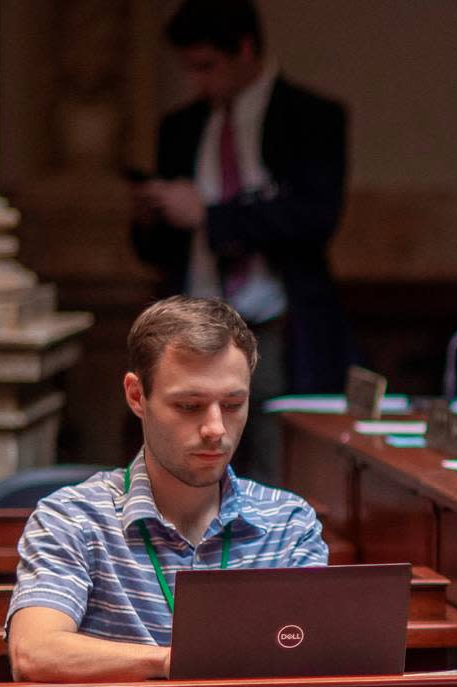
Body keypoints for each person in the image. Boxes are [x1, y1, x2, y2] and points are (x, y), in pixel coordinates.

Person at [7, 296, 328, 682]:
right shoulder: (71, 518)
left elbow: (314, 658)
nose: (216, 429)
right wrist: (174, 661)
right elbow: (33, 652)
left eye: (232, 404)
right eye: (189, 406)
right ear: (136, 396)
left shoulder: (289, 522)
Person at [130, 0, 353, 485]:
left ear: (245, 50)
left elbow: (315, 218)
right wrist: (154, 214)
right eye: (189, 68)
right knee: (191, 464)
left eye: (207, 66)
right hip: (193, 326)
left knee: (281, 469)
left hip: (278, 322)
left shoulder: (313, 117)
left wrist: (210, 216)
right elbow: (156, 251)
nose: (199, 81)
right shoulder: (182, 127)